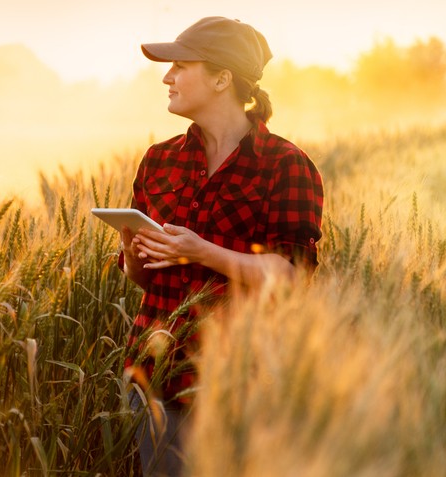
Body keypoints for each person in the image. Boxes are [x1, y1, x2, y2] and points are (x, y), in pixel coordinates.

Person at [118, 16, 324, 477]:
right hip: (156, 378)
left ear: (221, 78)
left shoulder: (285, 165)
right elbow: (143, 279)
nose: (166, 77)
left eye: (179, 65)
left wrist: (201, 251)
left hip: (242, 384)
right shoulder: (159, 160)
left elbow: (293, 277)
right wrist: (134, 250)